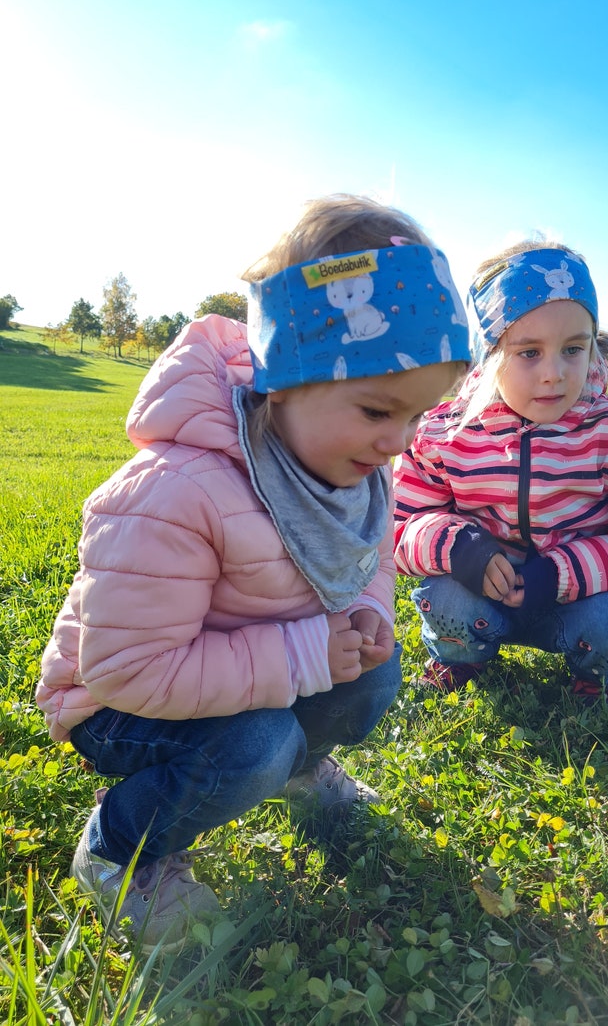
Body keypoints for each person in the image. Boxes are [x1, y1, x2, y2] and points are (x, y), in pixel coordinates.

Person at [36, 194, 470, 952]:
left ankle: (305, 772)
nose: (396, 441)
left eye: (415, 416)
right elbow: (125, 672)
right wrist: (303, 656)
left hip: (252, 667)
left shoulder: (347, 466)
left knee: (371, 676)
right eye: (377, 409)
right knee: (255, 746)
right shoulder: (179, 491)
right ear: (286, 375)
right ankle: (119, 849)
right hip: (116, 703)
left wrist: (369, 614)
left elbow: (366, 556)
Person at [393, 239, 608, 700]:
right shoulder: (443, 433)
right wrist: (456, 546)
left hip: (577, 602)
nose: (553, 372)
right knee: (447, 598)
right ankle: (461, 656)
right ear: (490, 352)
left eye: (572, 349)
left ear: (593, 345)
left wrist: (563, 573)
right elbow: (399, 528)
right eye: (529, 352)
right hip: (481, 599)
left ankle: (594, 677)